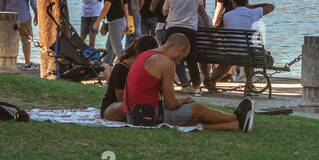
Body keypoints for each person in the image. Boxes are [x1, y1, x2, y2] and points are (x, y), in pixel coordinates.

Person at [103, 34, 254, 132]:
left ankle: (234, 125)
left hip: (136, 113)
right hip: (146, 115)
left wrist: (180, 103)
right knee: (196, 108)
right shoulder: (166, 63)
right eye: (182, 57)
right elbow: (170, 104)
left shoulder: (145, 55)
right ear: (179, 49)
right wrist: (182, 101)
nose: (180, 61)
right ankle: (234, 117)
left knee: (190, 115)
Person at [207, 0, 275, 91]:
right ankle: (249, 83)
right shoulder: (254, 12)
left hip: (231, 53)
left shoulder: (227, 16)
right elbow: (271, 6)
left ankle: (212, 81)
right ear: (247, 1)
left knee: (231, 58)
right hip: (249, 54)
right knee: (249, 54)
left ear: (234, 2)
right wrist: (250, 6)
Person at [162, 0, 210, 92]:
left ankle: (178, 83)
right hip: (189, 30)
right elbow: (202, 14)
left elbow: (164, 12)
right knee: (191, 57)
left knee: (173, 56)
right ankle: (196, 85)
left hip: (172, 29)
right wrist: (210, 26)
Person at [100, 34, 158, 116]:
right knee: (129, 107)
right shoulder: (121, 68)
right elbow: (120, 98)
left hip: (134, 104)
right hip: (113, 107)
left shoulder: (142, 67)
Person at [0, 0, 38, 69]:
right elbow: (33, 2)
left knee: (10, 41)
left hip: (10, 19)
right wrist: (37, 14)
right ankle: (27, 62)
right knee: (26, 41)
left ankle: (10, 62)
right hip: (24, 17)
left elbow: (1, 6)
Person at [93, 0, 131, 66]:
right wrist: (128, 24)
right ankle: (106, 66)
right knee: (109, 47)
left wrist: (97, 22)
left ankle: (127, 66)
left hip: (115, 23)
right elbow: (126, 10)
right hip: (122, 22)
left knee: (117, 49)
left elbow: (105, 9)